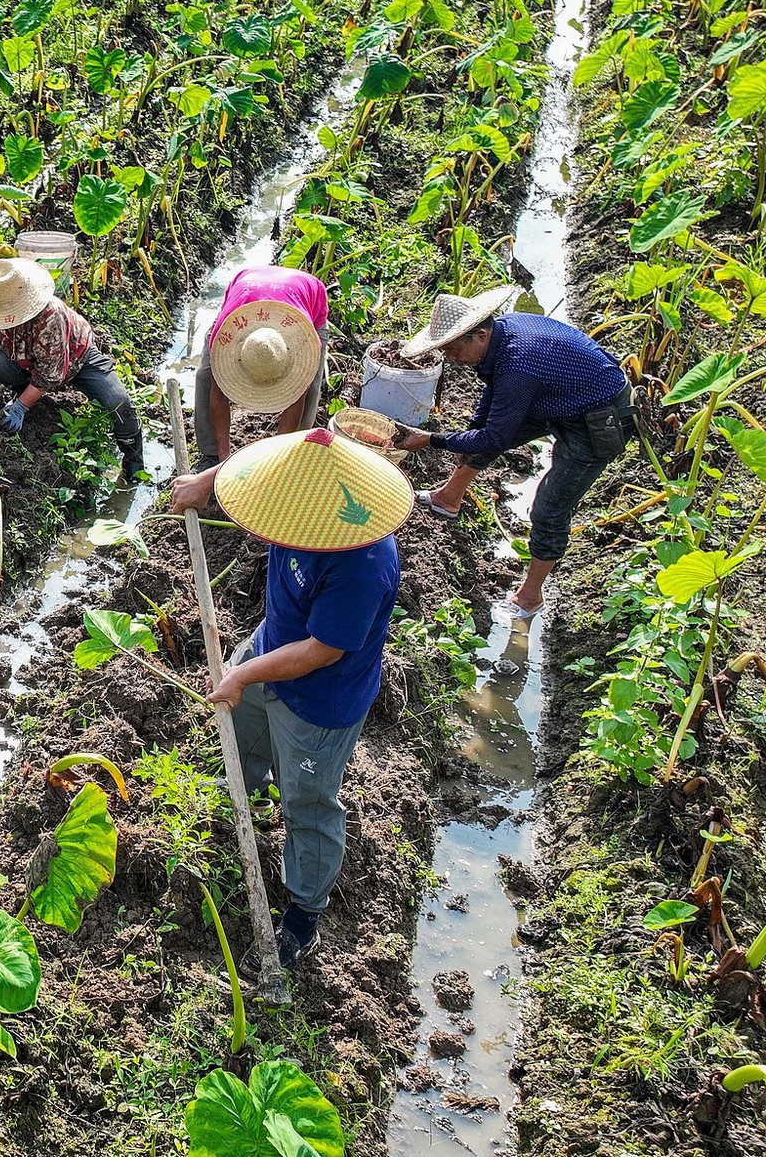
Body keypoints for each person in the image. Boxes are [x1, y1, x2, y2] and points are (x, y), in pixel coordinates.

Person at [171, 428, 412, 970]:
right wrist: (208, 481)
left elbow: (319, 652)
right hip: (271, 647)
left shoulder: (362, 565)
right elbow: (258, 467)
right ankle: (235, 801)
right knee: (243, 737)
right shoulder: (298, 499)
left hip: (319, 700)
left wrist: (244, 673)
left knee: (307, 802)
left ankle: (304, 913)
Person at [392, 286, 633, 618]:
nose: (450, 358)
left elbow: (494, 437)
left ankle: (530, 597)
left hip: (597, 418)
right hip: (560, 396)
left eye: (452, 350)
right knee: (478, 435)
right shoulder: (504, 332)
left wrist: (431, 439)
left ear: (478, 335)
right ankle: (449, 498)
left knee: (550, 509)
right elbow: (492, 401)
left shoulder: (519, 364)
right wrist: (470, 432)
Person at [0, 257, 144, 477]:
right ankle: (25, 392)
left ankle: (133, 462)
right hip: (25, 360)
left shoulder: (50, 317)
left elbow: (50, 374)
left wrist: (20, 407)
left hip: (77, 357)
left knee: (119, 403)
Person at [195, 265, 330, 469]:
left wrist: (274, 464)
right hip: (243, 301)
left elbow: (296, 401)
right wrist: (223, 462)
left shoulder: (304, 342)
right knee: (205, 375)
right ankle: (211, 455)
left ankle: (293, 453)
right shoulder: (225, 334)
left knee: (309, 387)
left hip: (305, 305)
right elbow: (217, 396)